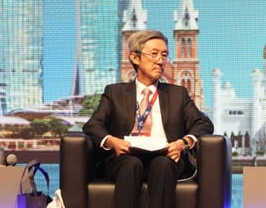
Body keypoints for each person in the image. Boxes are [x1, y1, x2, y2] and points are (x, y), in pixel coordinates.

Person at [83, 29, 213, 208]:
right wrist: (112, 141)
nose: (160, 61)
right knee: (130, 164)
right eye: (154, 54)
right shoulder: (115, 92)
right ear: (135, 58)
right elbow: (93, 125)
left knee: (163, 165)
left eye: (164, 55)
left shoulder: (178, 94)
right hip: (125, 156)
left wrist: (183, 143)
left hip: (165, 156)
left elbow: (203, 123)